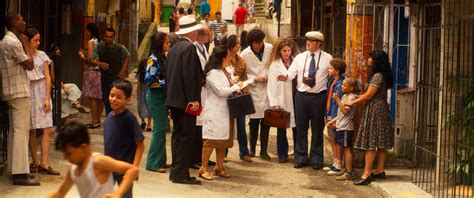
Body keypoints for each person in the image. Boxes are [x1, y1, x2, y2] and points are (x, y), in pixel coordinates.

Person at [277, 31, 333, 169]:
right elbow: (291, 74)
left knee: (317, 129)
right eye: (307, 40)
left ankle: (316, 159)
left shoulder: (327, 58)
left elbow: (332, 75)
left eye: (311, 41)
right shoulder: (300, 58)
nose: (307, 43)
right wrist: (285, 77)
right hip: (302, 96)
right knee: (301, 127)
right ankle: (301, 157)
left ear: (318, 43)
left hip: (319, 96)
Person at [47, 121, 138, 198]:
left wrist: (118, 193)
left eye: (69, 153)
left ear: (83, 147)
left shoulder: (97, 162)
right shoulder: (73, 169)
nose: (66, 158)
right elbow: (60, 193)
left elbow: (132, 169)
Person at [0, 13, 39, 186]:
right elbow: (30, 65)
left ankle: (15, 170)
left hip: (12, 91)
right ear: (15, 23)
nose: (24, 22)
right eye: (22, 19)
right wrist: (25, 43)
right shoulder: (14, 42)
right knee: (21, 132)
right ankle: (20, 174)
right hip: (18, 91)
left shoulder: (5, 41)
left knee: (16, 132)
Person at [165, 15, 203, 185]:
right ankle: (181, 173)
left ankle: (176, 171)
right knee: (186, 137)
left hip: (174, 99)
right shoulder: (189, 48)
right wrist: (193, 99)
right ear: (193, 31)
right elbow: (189, 77)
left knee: (178, 136)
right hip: (185, 101)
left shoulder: (174, 48)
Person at [348, 50, 393, 185]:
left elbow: (369, 96)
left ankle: (367, 174)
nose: (368, 60)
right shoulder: (382, 75)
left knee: (371, 142)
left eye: (371, 57)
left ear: (376, 60)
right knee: (381, 141)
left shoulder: (377, 76)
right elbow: (369, 94)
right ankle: (379, 169)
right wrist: (359, 97)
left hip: (375, 109)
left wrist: (352, 102)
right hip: (380, 107)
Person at [199, 45, 244, 180]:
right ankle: (203, 168)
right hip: (214, 111)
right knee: (210, 141)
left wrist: (236, 83)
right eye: (229, 56)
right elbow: (220, 91)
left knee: (222, 141)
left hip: (224, 110)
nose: (231, 59)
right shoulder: (212, 73)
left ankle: (219, 167)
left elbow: (227, 86)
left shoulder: (223, 71)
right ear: (222, 58)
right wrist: (236, 87)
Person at [23, 27, 60, 176]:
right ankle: (35, 161)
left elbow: (48, 77)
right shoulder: (24, 56)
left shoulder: (43, 55)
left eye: (39, 40)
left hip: (41, 89)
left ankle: (44, 163)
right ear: (28, 41)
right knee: (31, 129)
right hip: (28, 90)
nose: (38, 43)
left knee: (47, 129)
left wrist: (46, 97)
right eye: (35, 40)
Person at [103, 80, 145, 197]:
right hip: (109, 168)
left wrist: (134, 168)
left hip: (125, 170)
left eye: (119, 97)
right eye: (112, 95)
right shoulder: (108, 118)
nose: (114, 99)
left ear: (127, 99)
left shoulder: (129, 119)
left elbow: (140, 145)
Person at [219, 34, 253, 163]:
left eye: (239, 43)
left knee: (241, 126)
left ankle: (244, 152)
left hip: (239, 96)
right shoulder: (224, 60)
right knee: (227, 126)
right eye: (236, 43)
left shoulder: (241, 60)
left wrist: (245, 91)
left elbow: (244, 79)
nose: (238, 45)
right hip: (227, 96)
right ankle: (224, 152)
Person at [241, 28, 273, 160]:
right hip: (253, 89)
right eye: (256, 43)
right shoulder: (245, 54)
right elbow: (242, 73)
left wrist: (267, 75)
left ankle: (264, 151)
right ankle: (252, 149)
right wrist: (254, 78)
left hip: (267, 88)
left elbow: (274, 65)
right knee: (254, 122)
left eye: (260, 42)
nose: (259, 45)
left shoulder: (270, 48)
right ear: (251, 43)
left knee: (266, 121)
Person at [266, 37, 299, 163]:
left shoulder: (296, 62)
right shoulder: (275, 65)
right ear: (279, 51)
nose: (287, 53)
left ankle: (298, 152)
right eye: (284, 51)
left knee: (297, 128)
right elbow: (272, 85)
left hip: (296, 97)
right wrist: (274, 103)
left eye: (289, 50)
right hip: (282, 99)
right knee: (282, 127)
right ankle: (282, 153)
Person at [89, 27, 130, 116]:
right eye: (106, 36)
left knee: (115, 101)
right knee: (106, 100)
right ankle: (110, 118)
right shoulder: (99, 47)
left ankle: (113, 118)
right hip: (104, 78)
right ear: (104, 36)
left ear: (113, 37)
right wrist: (100, 64)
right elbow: (91, 59)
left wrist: (123, 71)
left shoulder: (119, 48)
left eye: (110, 37)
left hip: (116, 79)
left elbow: (127, 56)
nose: (108, 38)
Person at [145, 32, 170, 173]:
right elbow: (150, 80)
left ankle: (161, 160)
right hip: (156, 97)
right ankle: (152, 163)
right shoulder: (153, 59)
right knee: (159, 130)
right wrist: (167, 82)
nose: (168, 44)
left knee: (161, 130)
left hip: (162, 96)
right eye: (166, 42)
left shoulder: (162, 58)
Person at [326, 77, 358, 181]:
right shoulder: (345, 96)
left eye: (344, 86)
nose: (342, 87)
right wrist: (332, 121)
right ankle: (343, 168)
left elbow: (345, 111)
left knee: (347, 149)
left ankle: (349, 172)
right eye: (342, 85)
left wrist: (337, 99)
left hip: (346, 128)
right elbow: (340, 113)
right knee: (342, 147)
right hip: (341, 126)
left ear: (352, 88)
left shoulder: (351, 97)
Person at [78, 22, 103, 129]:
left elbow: (90, 59)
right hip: (100, 71)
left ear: (89, 31)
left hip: (92, 71)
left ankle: (94, 121)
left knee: (92, 97)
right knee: (99, 98)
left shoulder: (91, 42)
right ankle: (98, 119)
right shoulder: (100, 42)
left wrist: (82, 56)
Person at [323, 58, 345, 173]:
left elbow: (338, 102)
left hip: (334, 114)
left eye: (331, 68)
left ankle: (338, 163)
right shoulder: (331, 81)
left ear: (337, 71)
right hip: (328, 112)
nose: (329, 70)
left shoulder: (340, 84)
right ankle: (335, 162)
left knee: (336, 139)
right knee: (331, 138)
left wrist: (334, 117)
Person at [136, 59, 152, 131]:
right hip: (150, 93)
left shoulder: (140, 74)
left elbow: (138, 85)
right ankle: (149, 125)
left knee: (141, 108)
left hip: (142, 93)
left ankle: (143, 121)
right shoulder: (150, 73)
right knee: (149, 108)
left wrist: (137, 94)